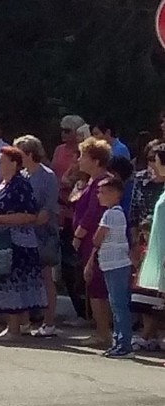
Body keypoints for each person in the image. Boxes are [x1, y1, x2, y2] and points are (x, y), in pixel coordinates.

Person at [0, 146, 46, 338]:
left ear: (15, 164)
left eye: (2, 162)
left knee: (14, 284)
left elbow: (30, 215)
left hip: (19, 242)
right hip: (1, 240)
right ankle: (17, 324)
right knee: (4, 281)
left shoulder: (20, 185)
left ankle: (14, 327)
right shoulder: (0, 185)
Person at [14, 136, 61, 338]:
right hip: (22, 234)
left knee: (45, 278)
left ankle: (49, 322)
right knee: (23, 279)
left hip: (43, 235)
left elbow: (46, 211)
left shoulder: (48, 176)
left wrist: (24, 220)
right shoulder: (21, 176)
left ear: (30, 154)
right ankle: (23, 322)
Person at [69, 137, 112, 347]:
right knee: (93, 285)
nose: (79, 160)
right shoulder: (91, 182)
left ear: (96, 160)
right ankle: (101, 331)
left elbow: (93, 212)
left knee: (97, 286)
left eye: (83, 156)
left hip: (95, 240)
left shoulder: (102, 182)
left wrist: (78, 234)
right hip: (90, 241)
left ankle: (104, 334)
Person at [89, 178, 135, 357]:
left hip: (116, 264)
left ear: (115, 194)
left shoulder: (111, 214)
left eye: (103, 192)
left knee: (118, 304)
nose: (99, 195)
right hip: (112, 264)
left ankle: (124, 344)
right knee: (116, 304)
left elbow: (97, 238)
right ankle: (119, 341)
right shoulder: (115, 212)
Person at [127, 143, 165, 351]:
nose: (153, 164)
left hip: (160, 245)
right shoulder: (142, 180)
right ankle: (149, 334)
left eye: (156, 159)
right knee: (147, 292)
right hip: (148, 243)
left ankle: (154, 334)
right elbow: (134, 212)